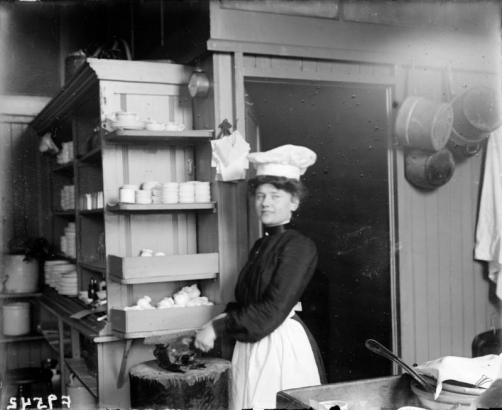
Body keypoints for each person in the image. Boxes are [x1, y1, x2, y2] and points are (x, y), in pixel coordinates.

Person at [195, 144, 326, 410]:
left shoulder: (299, 246)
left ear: (294, 201)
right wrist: (216, 321)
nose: (265, 202)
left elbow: (271, 311)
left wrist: (218, 327)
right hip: (251, 345)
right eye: (260, 196)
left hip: (279, 349)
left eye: (275, 196)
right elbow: (248, 303)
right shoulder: (260, 245)